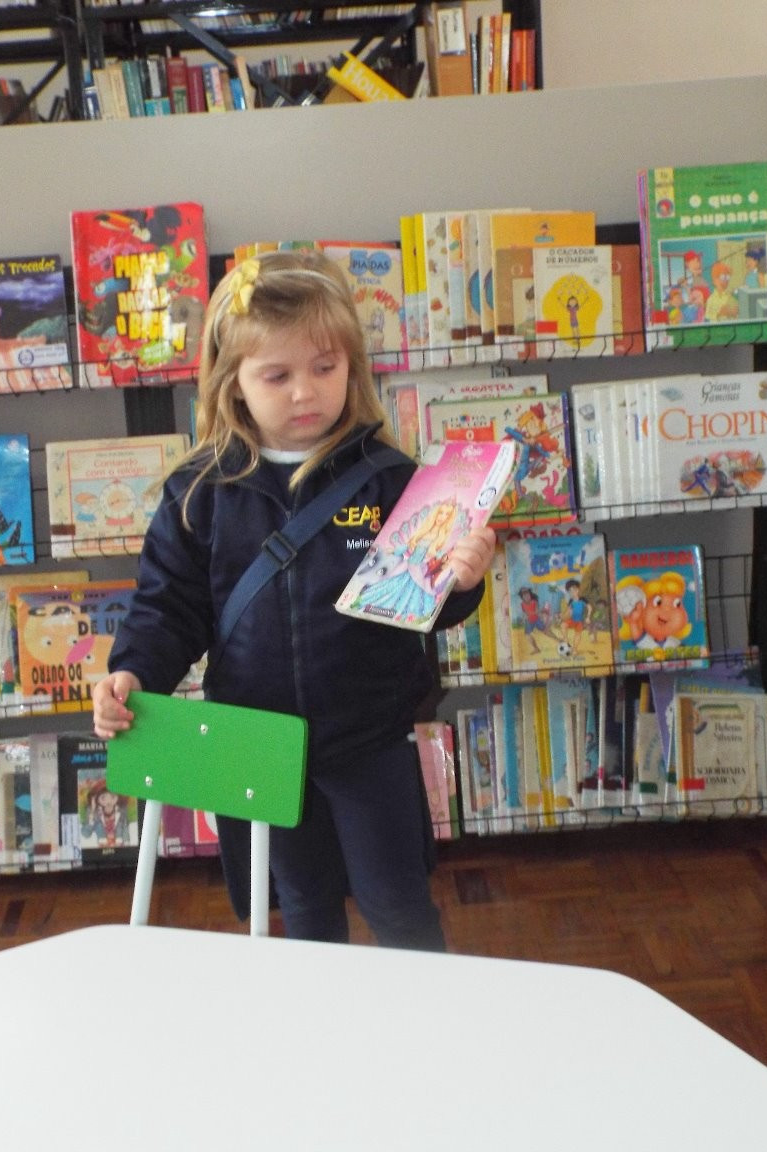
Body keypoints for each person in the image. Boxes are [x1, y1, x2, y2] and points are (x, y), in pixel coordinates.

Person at [92, 250, 496, 950]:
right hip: (259, 743)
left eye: (325, 368)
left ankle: (427, 1017)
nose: (305, 392)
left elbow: (422, 601)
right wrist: (133, 672)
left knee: (400, 907)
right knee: (302, 911)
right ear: (233, 382)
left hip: (371, 739)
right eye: (277, 376)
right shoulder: (201, 491)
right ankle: (318, 1020)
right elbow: (167, 607)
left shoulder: (388, 478)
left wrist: (461, 584)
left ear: (352, 369)